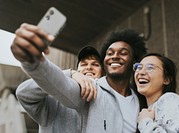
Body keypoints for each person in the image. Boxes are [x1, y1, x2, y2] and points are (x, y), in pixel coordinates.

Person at [11, 23, 147, 133]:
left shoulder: (139, 99)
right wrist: (34, 62)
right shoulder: (90, 90)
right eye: (109, 53)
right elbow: (58, 83)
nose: (115, 56)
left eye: (94, 64)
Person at [15, 45, 104, 133]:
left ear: (102, 72)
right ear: (78, 70)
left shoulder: (107, 101)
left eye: (95, 64)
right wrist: (70, 74)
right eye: (84, 64)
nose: (89, 67)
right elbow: (23, 93)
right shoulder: (52, 99)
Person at [133, 53, 179, 132]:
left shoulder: (169, 99)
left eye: (150, 67)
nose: (141, 72)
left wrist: (145, 122)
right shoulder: (145, 111)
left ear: (166, 79)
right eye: (139, 67)